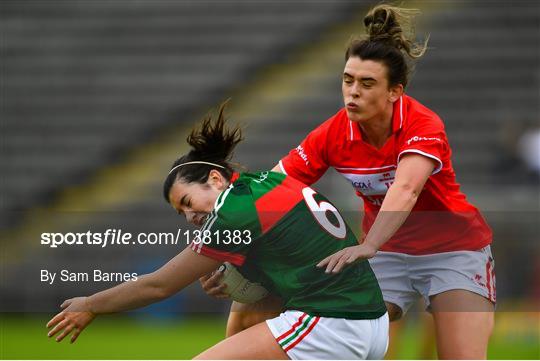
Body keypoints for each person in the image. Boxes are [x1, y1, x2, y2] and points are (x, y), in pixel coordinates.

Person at [203, 4, 496, 359]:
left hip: (453, 249)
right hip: (386, 254)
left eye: (367, 83)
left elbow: (407, 188)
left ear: (394, 92)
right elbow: (271, 190)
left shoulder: (423, 124)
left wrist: (370, 244)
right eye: (348, 80)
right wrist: (230, 253)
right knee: (348, 341)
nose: (352, 91)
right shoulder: (332, 133)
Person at [46, 102, 389, 360]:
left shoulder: (233, 212)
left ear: (214, 178)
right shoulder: (263, 183)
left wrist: (90, 304)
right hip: (368, 324)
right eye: (180, 212)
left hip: (331, 324)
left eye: (187, 201)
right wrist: (236, 269)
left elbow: (159, 285)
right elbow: (280, 268)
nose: (188, 216)